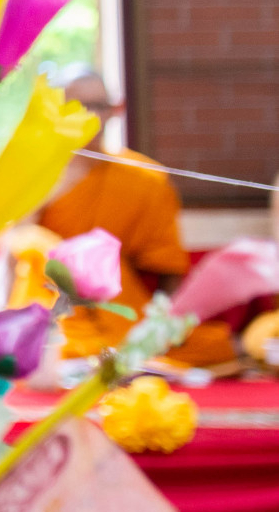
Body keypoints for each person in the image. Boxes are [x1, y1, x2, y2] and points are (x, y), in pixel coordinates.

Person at [40, 71, 220, 365]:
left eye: (97, 105)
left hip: (116, 300)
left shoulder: (144, 178)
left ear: (115, 110)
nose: (87, 116)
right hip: (51, 297)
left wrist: (163, 323)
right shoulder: (40, 174)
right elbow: (21, 247)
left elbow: (168, 264)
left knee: (210, 346)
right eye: (75, 106)